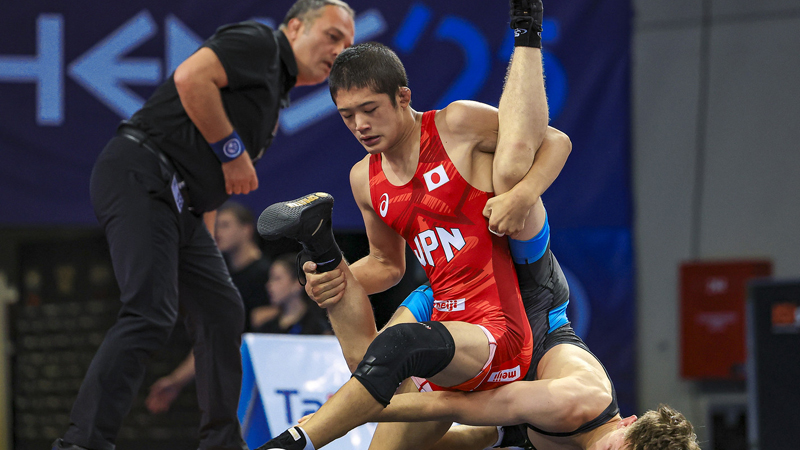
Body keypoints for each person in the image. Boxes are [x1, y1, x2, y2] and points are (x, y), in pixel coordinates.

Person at [253, 1, 558, 448]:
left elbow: (555, 141)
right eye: (347, 115)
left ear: (403, 97)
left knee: (394, 353)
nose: (360, 125)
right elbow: (386, 265)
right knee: (368, 363)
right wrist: (336, 281)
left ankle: (296, 441)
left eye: (369, 109)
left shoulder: (456, 124)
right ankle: (322, 249)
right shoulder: (364, 178)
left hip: (494, 325)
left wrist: (523, 195)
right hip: (439, 312)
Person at [52, 1, 355, 449]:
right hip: (141, 171)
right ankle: (82, 443)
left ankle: (222, 443)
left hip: (185, 204)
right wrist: (232, 152)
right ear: (294, 28)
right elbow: (192, 78)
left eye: (347, 43)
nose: (340, 50)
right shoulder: (260, 42)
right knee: (150, 311)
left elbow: (209, 184)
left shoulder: (274, 92)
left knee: (222, 310)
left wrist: (205, 247)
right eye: (332, 36)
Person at [145, 201, 277, 415]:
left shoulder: (270, 276)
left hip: (264, 383)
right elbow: (211, 336)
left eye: (225, 225)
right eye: (215, 226)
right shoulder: (221, 277)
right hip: (229, 383)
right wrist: (176, 381)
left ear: (246, 229)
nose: (217, 232)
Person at [257, 253, 332, 335]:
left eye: (277, 278)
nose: (269, 285)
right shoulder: (266, 328)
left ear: (297, 284)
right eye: (270, 278)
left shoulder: (319, 327)